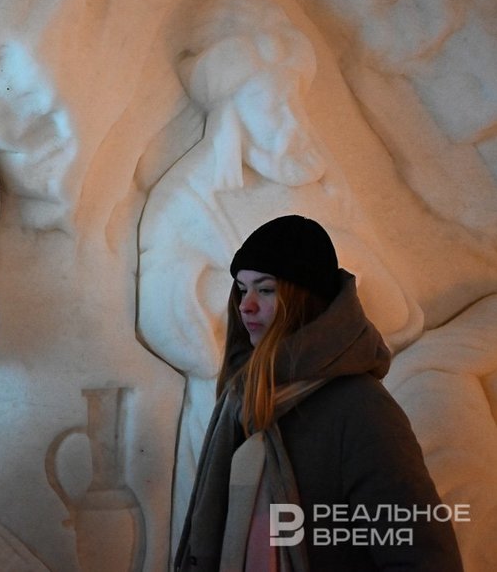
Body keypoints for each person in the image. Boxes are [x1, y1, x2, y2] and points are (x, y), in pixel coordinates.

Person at [173, 215, 463, 571]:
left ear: (303, 299)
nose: (246, 305)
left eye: (266, 290)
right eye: (242, 289)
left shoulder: (363, 410)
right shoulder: (245, 401)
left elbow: (423, 558)